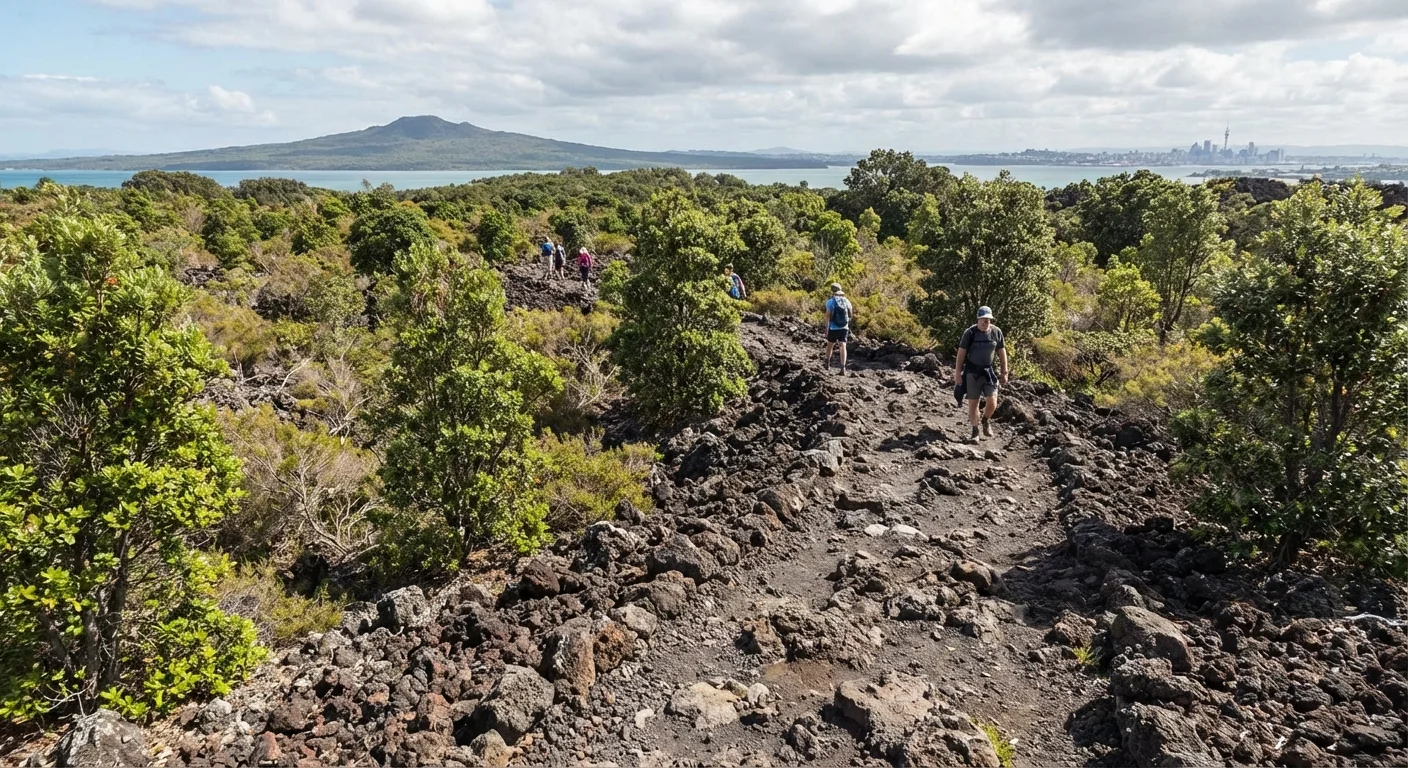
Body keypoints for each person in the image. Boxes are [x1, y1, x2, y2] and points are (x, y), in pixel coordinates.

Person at [953, 306, 1009, 441]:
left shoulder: (996, 332)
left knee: (993, 401)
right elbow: (961, 353)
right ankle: (975, 431)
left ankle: (985, 420)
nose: (986, 322)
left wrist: (1004, 371)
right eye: (983, 320)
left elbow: (1002, 352)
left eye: (988, 320)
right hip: (972, 371)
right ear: (978, 319)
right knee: (973, 403)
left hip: (989, 371)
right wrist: (958, 372)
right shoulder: (970, 333)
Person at [824, 283, 854, 375]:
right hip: (844, 327)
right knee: (843, 345)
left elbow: (828, 317)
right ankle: (843, 368)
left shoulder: (830, 302)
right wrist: (847, 324)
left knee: (830, 344)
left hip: (833, 327)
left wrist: (826, 329)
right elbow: (850, 314)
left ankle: (827, 363)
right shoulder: (847, 301)